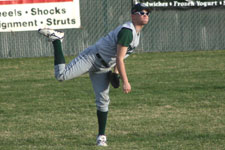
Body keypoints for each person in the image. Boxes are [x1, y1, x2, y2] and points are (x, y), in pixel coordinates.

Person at [38, 3, 150, 147]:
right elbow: (119, 58)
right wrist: (125, 81)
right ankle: (57, 40)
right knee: (61, 75)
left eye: (147, 13)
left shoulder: (136, 34)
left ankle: (101, 137)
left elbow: (119, 55)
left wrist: (115, 73)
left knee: (103, 101)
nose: (145, 15)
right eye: (141, 12)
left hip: (104, 67)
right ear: (133, 15)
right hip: (92, 58)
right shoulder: (128, 31)